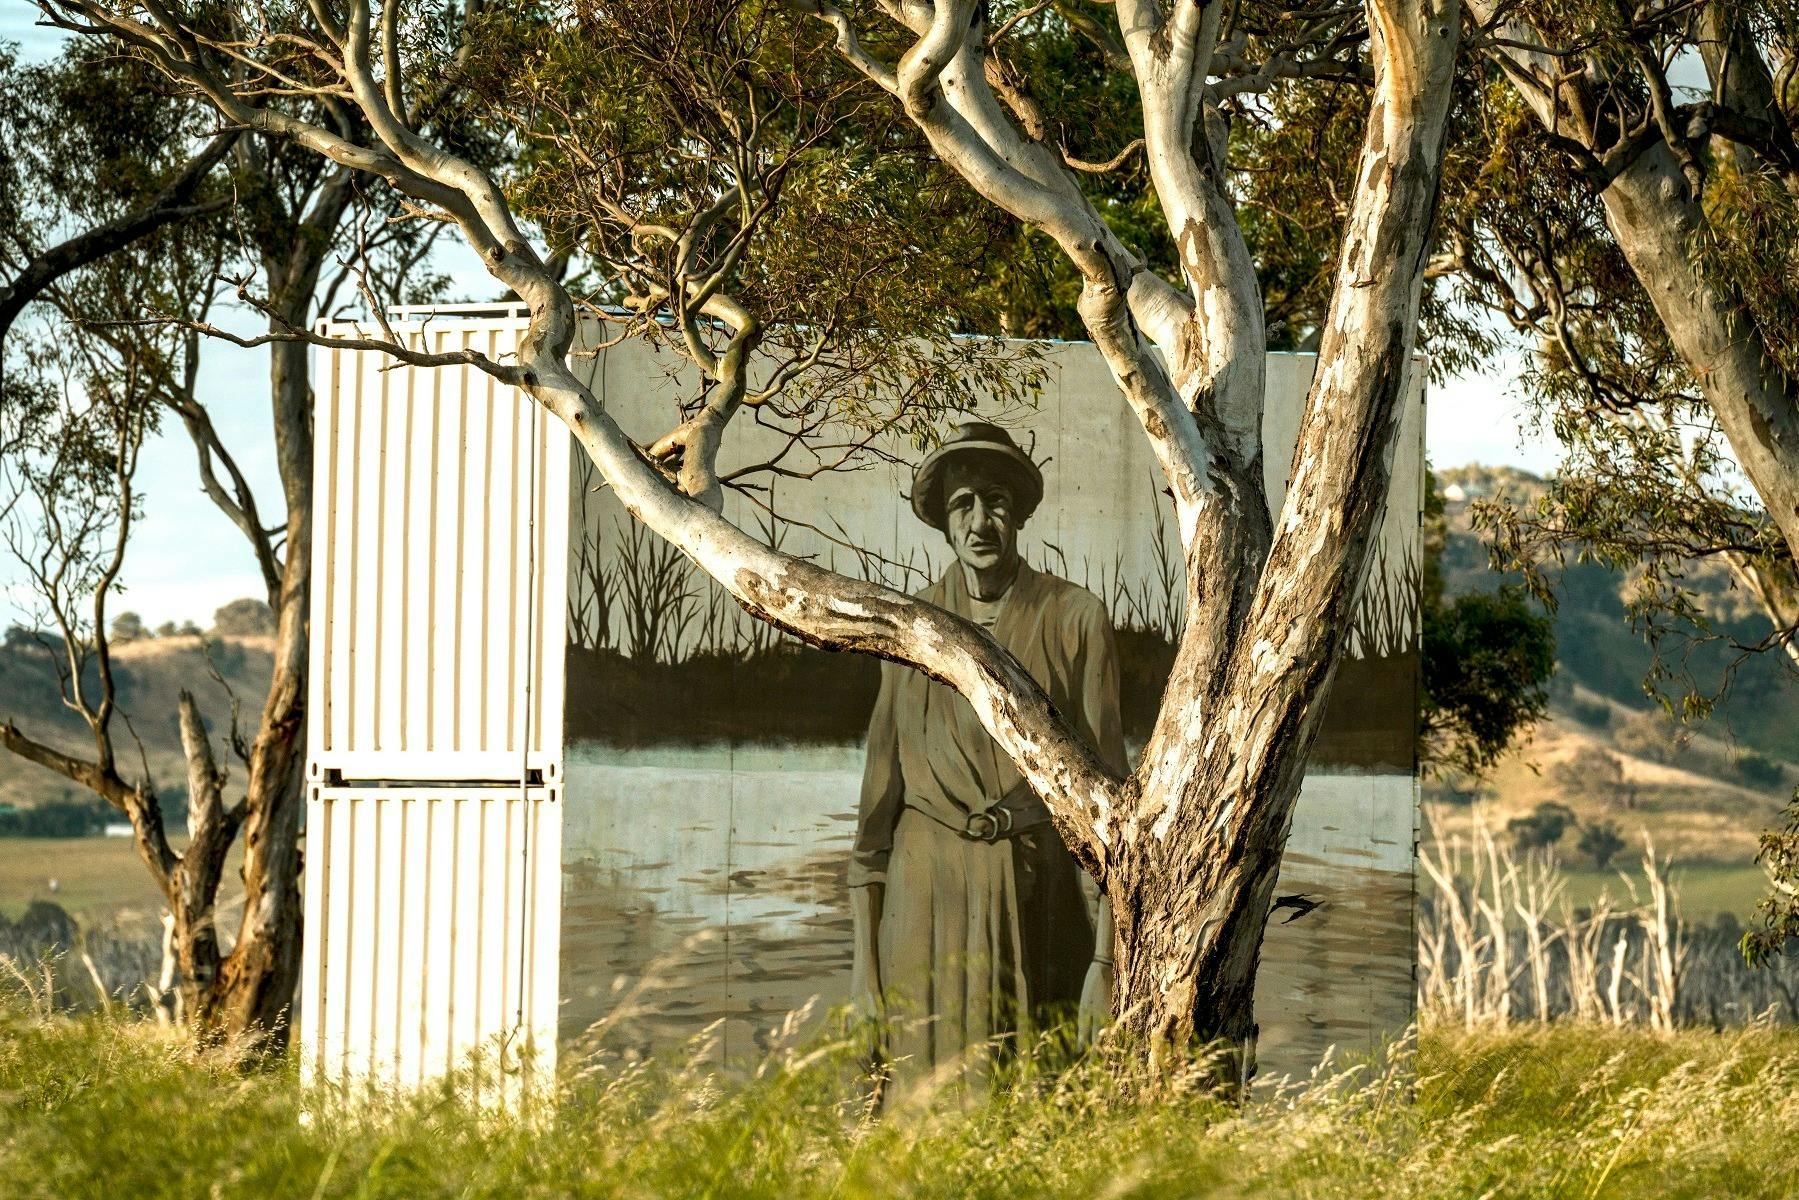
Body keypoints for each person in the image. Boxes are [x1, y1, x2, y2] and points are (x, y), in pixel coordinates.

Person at [849, 421, 1129, 1091]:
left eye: (996, 501)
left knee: (1035, 1116)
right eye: (962, 503)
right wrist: (864, 977)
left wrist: (1104, 965)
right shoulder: (907, 626)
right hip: (921, 919)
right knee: (921, 1125)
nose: (980, 521)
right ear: (944, 522)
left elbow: (1111, 814)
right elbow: (871, 834)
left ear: (1020, 513)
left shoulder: (1074, 617)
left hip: (1040, 912)